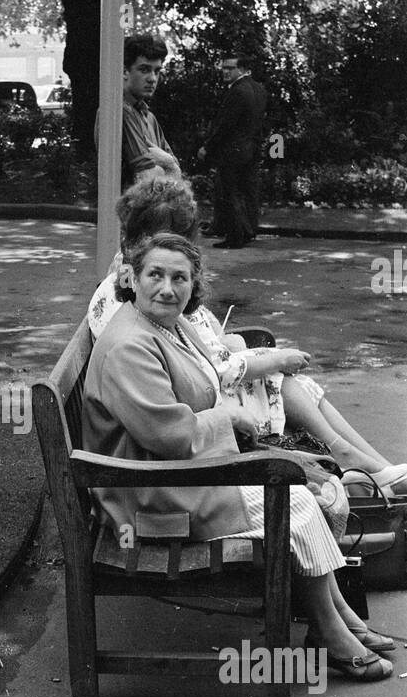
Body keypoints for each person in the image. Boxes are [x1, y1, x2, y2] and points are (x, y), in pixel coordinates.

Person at [82, 231, 394, 681]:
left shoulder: (167, 323)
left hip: (184, 472)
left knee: (308, 486)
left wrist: (230, 418)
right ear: (132, 277)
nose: (167, 288)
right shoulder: (130, 345)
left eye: (180, 278)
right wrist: (228, 419)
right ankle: (331, 628)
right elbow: (171, 436)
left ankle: (338, 616)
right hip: (150, 496)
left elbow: (207, 384)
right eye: (155, 275)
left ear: (194, 284)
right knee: (297, 501)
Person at [88, 176, 407, 498]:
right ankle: (363, 468)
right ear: (148, 239)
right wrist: (253, 379)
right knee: (282, 384)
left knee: (296, 411)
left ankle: (372, 470)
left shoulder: (147, 287)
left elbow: (193, 355)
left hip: (192, 422)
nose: (168, 283)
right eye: (175, 238)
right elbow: (168, 419)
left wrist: (231, 348)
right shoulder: (133, 306)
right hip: (169, 467)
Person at [197, 53, 268, 248]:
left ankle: (235, 237)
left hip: (233, 151)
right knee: (248, 191)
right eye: (223, 68)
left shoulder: (237, 91)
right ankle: (249, 231)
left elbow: (225, 126)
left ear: (243, 70)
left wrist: (207, 147)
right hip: (252, 149)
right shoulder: (259, 89)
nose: (225, 72)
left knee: (230, 193)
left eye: (230, 68)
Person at [94, 32, 181, 187]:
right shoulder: (117, 109)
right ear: (124, 71)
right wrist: (168, 163)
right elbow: (148, 179)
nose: (153, 78)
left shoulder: (149, 116)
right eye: (144, 69)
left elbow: (174, 169)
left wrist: (167, 164)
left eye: (156, 71)